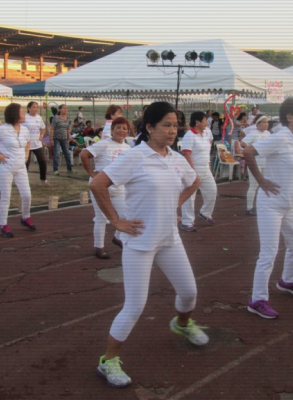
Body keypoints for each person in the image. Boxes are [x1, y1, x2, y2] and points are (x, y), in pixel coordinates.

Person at [89, 102, 207, 388]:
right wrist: (116, 221)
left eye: (175, 124)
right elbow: (97, 185)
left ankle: (181, 324)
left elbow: (194, 181)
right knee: (135, 305)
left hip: (169, 239)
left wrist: (176, 204)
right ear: (149, 127)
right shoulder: (135, 156)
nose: (172, 130)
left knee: (189, 293)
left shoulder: (176, 158)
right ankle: (108, 361)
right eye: (166, 124)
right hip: (140, 242)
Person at [243, 98, 293, 319]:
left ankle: (287, 281)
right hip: (271, 203)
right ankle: (257, 299)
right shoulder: (280, 138)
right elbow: (248, 152)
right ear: (290, 117)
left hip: (290, 204)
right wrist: (261, 180)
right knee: (269, 253)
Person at [80, 117, 131, 259]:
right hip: (101, 188)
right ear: (112, 129)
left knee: (125, 215)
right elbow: (84, 154)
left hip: (119, 187)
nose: (121, 131)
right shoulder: (103, 144)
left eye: (124, 128)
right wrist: (91, 173)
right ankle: (99, 247)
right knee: (101, 218)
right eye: (118, 128)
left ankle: (117, 237)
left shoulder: (127, 147)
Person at [0, 103, 34, 238]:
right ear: (14, 115)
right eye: (21, 112)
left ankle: (25, 217)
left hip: (20, 167)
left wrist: (27, 155)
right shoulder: (3, 129)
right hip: (6, 167)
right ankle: (3, 224)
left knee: (27, 195)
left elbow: (28, 142)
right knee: (6, 197)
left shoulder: (24, 130)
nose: (24, 115)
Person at [179, 111, 217, 232]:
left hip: (205, 168)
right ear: (197, 121)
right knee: (190, 196)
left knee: (212, 191)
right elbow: (186, 153)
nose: (207, 123)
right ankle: (187, 222)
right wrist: (192, 171)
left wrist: (209, 164)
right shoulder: (189, 135)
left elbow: (208, 150)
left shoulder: (206, 133)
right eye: (205, 120)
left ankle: (205, 212)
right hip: (193, 169)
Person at [241, 115, 271, 216]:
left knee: (265, 185)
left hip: (266, 163)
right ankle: (249, 207)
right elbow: (243, 143)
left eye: (267, 122)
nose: (266, 124)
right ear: (258, 124)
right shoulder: (254, 133)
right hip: (255, 163)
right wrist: (253, 150)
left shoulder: (268, 133)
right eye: (264, 122)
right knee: (254, 185)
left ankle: (263, 206)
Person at [22, 101, 49, 185]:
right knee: (26, 162)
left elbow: (43, 128)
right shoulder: (24, 117)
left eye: (37, 107)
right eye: (33, 107)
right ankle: (23, 181)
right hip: (27, 144)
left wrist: (41, 135)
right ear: (28, 108)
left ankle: (43, 179)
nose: (35, 109)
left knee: (43, 161)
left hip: (37, 144)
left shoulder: (39, 118)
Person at [50, 104, 76, 175]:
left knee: (67, 153)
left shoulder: (68, 118)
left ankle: (69, 168)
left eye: (66, 108)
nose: (65, 110)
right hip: (56, 138)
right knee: (57, 154)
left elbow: (68, 129)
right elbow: (52, 129)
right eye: (63, 108)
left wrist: (68, 139)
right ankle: (55, 169)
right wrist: (51, 139)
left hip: (64, 138)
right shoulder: (56, 118)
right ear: (60, 110)